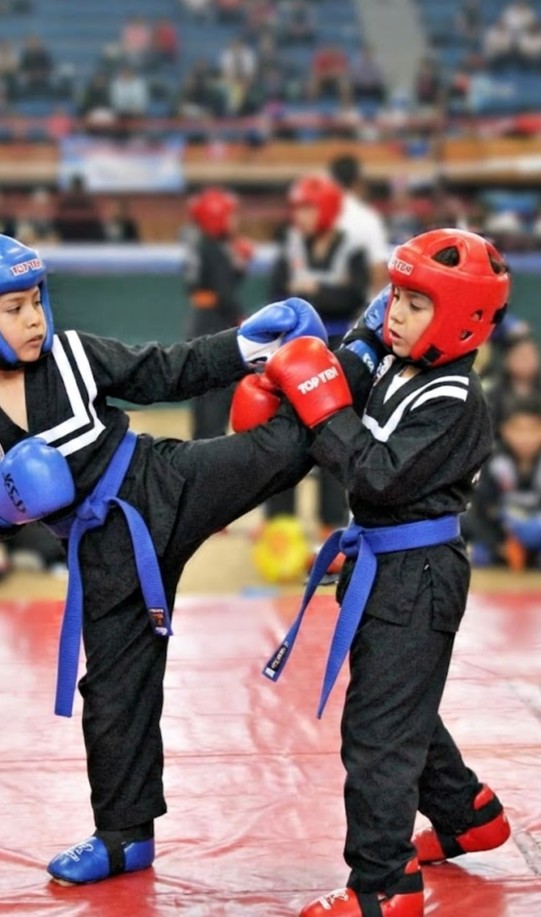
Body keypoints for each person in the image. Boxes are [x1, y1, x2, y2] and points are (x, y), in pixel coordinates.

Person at [0, 231, 325, 887]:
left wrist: (246, 346)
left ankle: (363, 366)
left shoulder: (74, 355)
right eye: (13, 307)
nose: (33, 317)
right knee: (114, 696)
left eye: (35, 300)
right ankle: (123, 837)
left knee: (282, 446)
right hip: (104, 552)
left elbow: (168, 369)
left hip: (159, 481)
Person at [232, 228, 512, 915]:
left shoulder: (453, 402)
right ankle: (466, 813)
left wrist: (321, 401)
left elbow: (376, 474)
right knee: (397, 702)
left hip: (417, 571)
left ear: (456, 320)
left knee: (378, 728)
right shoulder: (399, 353)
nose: (395, 312)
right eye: (397, 295)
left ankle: (383, 885)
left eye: (416, 305)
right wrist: (300, 371)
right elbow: (360, 341)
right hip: (385, 564)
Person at [264, 173, 368, 543]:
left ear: (325, 209)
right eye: (298, 209)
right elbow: (276, 294)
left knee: (332, 432)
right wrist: (324, 295)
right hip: (293, 352)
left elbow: (353, 297)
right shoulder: (289, 247)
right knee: (284, 435)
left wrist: (311, 291)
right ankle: (280, 526)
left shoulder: (350, 250)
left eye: (308, 208)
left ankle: (329, 524)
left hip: (339, 350)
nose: (301, 217)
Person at [183, 187, 255, 439]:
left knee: (203, 398)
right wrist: (243, 320)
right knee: (216, 395)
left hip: (200, 323)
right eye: (229, 215)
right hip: (215, 324)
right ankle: (209, 454)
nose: (234, 221)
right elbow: (224, 293)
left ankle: (199, 450)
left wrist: (238, 267)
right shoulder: (211, 247)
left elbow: (209, 284)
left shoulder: (198, 244)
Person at [464, 394, 541, 571]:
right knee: (480, 553)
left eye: (534, 429)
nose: (526, 437)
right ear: (505, 430)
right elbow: (479, 511)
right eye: (519, 429)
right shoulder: (492, 462)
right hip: (500, 543)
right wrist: (500, 545)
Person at [329, 152, 391, 296]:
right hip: (354, 306)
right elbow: (379, 270)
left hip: (319, 303)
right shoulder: (368, 218)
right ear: (357, 181)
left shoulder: (316, 215)